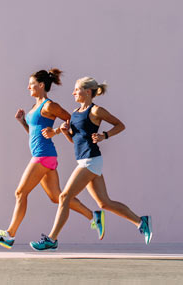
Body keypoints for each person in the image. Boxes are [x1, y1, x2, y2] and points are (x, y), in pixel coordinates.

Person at [0, 69, 105, 249]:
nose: (28, 88)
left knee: (20, 193)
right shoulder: (34, 108)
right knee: (58, 198)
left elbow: (72, 120)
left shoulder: (49, 105)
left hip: (43, 156)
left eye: (31, 85)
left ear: (41, 86)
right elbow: (35, 135)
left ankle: (9, 235)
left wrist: (56, 131)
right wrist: (23, 122)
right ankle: (93, 216)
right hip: (43, 155)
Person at [30, 77, 151, 251]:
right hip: (86, 160)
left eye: (76, 89)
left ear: (87, 92)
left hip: (91, 160)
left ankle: (52, 239)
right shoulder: (76, 112)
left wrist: (105, 136)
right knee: (104, 203)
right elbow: (75, 141)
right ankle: (141, 222)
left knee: (64, 197)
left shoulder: (96, 111)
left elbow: (120, 125)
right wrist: (63, 133)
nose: (73, 93)